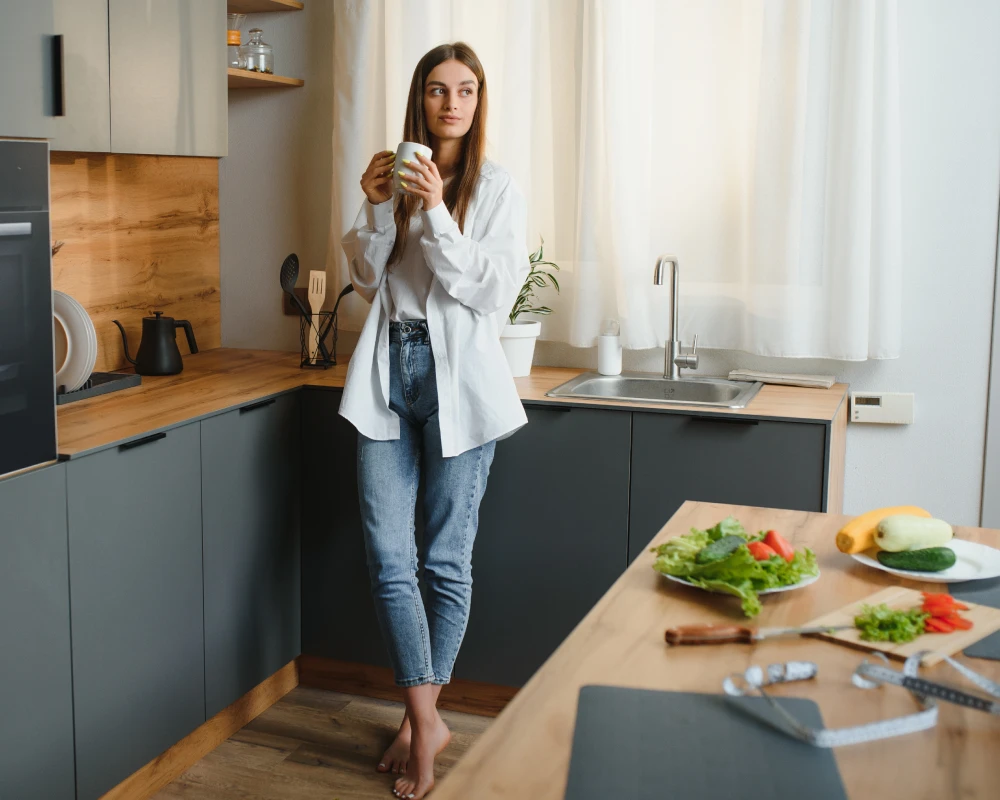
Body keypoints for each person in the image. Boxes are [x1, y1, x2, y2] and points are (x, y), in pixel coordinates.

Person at [340, 41, 530, 800]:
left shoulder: (496, 187)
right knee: (390, 560)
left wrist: (436, 214)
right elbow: (361, 276)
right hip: (390, 372)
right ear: (418, 100)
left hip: (461, 384)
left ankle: (421, 729)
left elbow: (490, 291)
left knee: (445, 561)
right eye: (437, 90)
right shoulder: (391, 179)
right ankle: (428, 724)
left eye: (466, 90)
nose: (451, 103)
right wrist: (383, 205)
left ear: (479, 102)